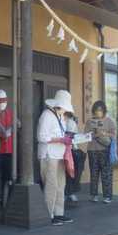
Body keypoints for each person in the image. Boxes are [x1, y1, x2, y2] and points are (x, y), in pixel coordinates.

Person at [38, 90, 74, 226]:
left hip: (59, 155)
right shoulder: (47, 115)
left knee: (61, 185)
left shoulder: (60, 117)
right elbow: (41, 137)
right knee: (51, 186)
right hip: (49, 155)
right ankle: (49, 214)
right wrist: (60, 139)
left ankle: (59, 213)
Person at [85, 100, 117, 204]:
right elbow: (85, 135)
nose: (98, 112)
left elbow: (114, 135)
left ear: (104, 110)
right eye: (96, 110)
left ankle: (107, 196)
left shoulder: (110, 121)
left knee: (106, 173)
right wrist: (94, 134)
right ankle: (94, 195)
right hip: (92, 150)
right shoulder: (90, 121)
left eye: (100, 110)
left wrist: (104, 134)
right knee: (94, 173)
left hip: (105, 150)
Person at [64, 111, 86, 204]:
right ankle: (69, 193)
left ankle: (69, 193)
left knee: (70, 173)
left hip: (70, 151)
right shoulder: (65, 122)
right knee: (69, 173)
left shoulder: (70, 122)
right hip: (66, 150)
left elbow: (72, 137)